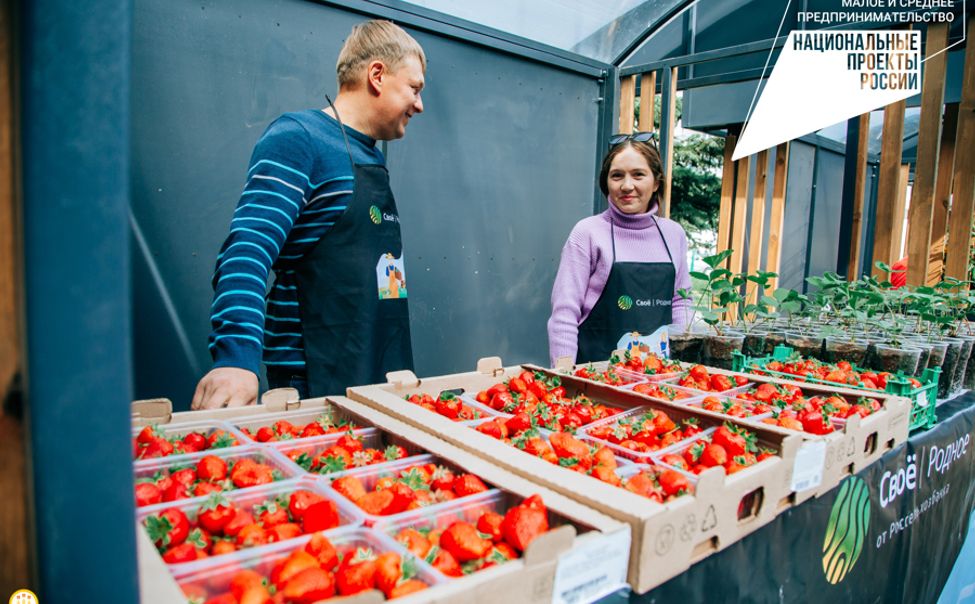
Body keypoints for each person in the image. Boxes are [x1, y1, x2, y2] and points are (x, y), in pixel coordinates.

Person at [192, 20, 426, 409]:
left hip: (379, 377)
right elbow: (248, 248)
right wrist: (235, 358)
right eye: (415, 88)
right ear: (378, 75)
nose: (420, 105)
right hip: (315, 379)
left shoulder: (369, 153)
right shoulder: (299, 139)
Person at [547, 133, 692, 366]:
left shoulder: (673, 234)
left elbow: (682, 302)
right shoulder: (588, 233)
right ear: (606, 183)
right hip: (595, 378)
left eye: (638, 175)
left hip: (657, 379)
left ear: (656, 182)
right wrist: (564, 376)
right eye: (617, 176)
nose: (627, 185)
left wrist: (683, 365)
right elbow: (564, 314)